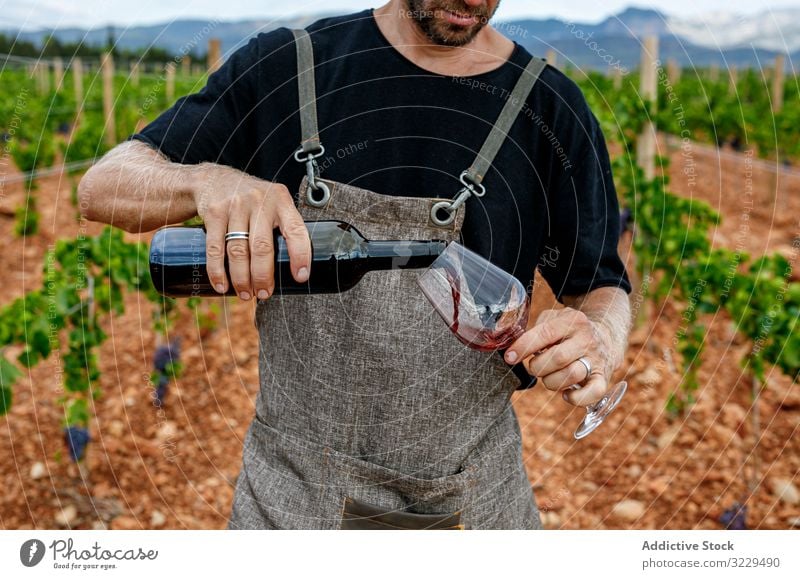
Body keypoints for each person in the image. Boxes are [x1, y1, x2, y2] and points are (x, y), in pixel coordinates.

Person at [79, 0, 632, 529]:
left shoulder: (551, 109)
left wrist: (599, 338)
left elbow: (600, 284)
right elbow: (102, 185)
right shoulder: (288, 65)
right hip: (293, 499)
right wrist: (202, 180)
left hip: (469, 503)